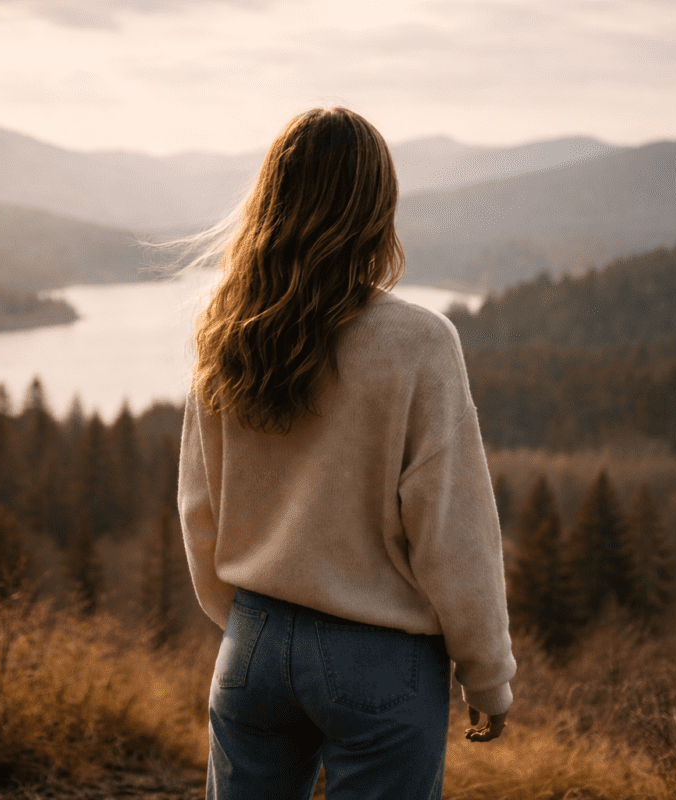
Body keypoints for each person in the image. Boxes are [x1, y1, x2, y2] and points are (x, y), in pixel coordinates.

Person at [177, 106, 514, 800]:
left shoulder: (228, 330)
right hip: (381, 656)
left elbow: (198, 508)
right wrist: (487, 674)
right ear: (377, 210)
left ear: (270, 200)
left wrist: (252, 624)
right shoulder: (419, 343)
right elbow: (454, 531)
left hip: (253, 640)